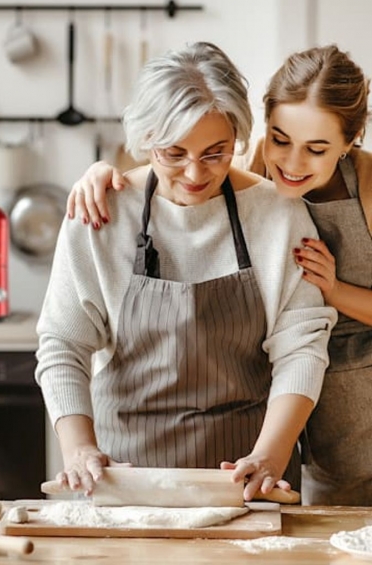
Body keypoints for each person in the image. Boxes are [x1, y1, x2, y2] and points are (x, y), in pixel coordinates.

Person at [67, 44, 372, 506]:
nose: (291, 163)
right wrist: (102, 173)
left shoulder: (330, 196)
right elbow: (63, 341)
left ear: (351, 143)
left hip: (329, 412)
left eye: (317, 149)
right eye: (280, 140)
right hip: (157, 457)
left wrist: (334, 290)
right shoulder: (241, 179)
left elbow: (302, 343)